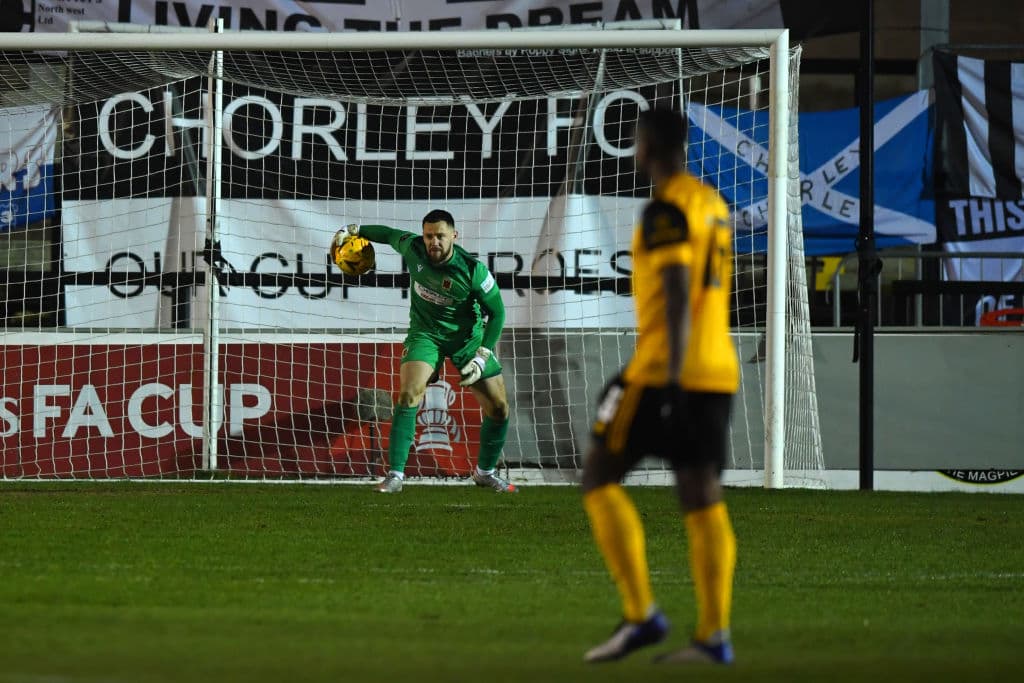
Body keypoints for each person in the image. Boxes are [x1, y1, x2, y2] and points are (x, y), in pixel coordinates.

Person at [581, 108, 739, 664]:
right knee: (700, 496)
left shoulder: (665, 209)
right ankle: (713, 637)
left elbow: (675, 292)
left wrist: (670, 383)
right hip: (718, 369)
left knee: (599, 475)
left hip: (665, 371)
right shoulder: (713, 203)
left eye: (635, 139)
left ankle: (642, 615)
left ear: (646, 146)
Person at [343, 210, 515, 494]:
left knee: (499, 408)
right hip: (426, 335)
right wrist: (355, 229)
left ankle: (485, 472)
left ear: (454, 236)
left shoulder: (473, 271)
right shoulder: (413, 248)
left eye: (440, 236)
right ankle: (395, 475)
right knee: (409, 392)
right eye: (429, 236)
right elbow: (386, 234)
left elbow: (497, 314)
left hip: (467, 340)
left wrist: (482, 355)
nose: (433, 242)